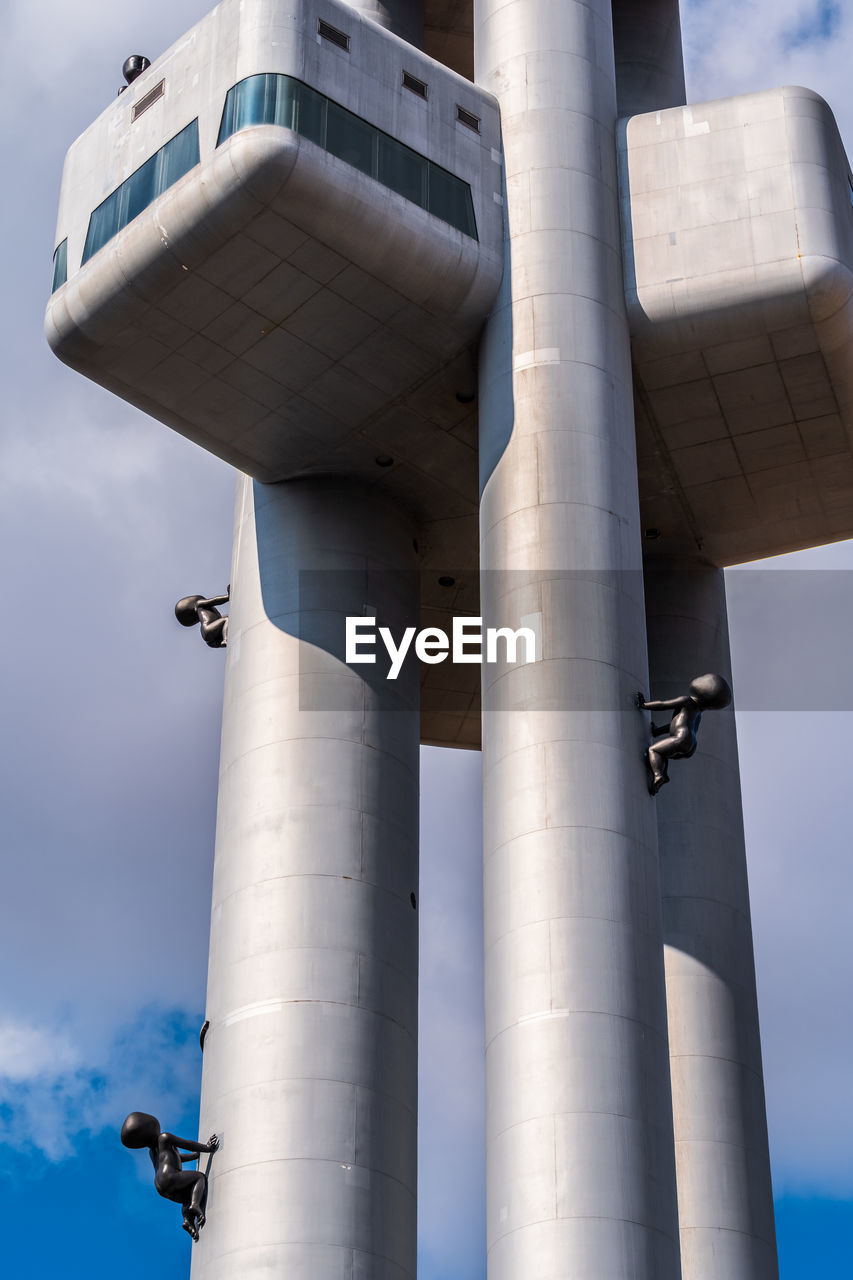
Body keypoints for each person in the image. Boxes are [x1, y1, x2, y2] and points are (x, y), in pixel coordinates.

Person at [120, 1112, 218, 1240]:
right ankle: (195, 1204)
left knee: (186, 1196)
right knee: (199, 1178)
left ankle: (187, 1220)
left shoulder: (152, 1152)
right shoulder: (164, 1137)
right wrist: (207, 1148)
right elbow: (187, 1144)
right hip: (170, 1176)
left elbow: (175, 1158)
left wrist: (195, 1155)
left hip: (160, 1185)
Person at [637, 673, 732, 795]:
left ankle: (658, 775)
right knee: (664, 753)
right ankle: (663, 775)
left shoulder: (686, 701)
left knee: (654, 750)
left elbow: (663, 705)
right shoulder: (698, 713)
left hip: (681, 738)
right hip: (691, 745)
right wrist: (657, 731)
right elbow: (675, 725)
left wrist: (644, 705)